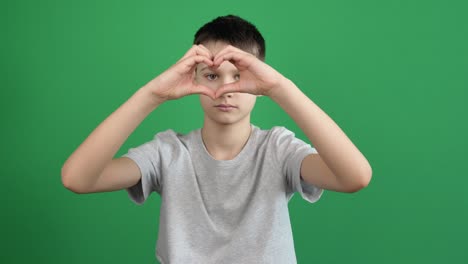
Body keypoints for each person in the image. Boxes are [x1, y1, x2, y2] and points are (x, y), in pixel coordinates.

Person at [61, 14, 372, 264]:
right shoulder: (168, 153)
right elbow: (78, 178)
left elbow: (355, 176)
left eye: (239, 76)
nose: (226, 88)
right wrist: (152, 95)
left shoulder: (278, 150)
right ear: (194, 79)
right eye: (212, 76)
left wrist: (280, 88)